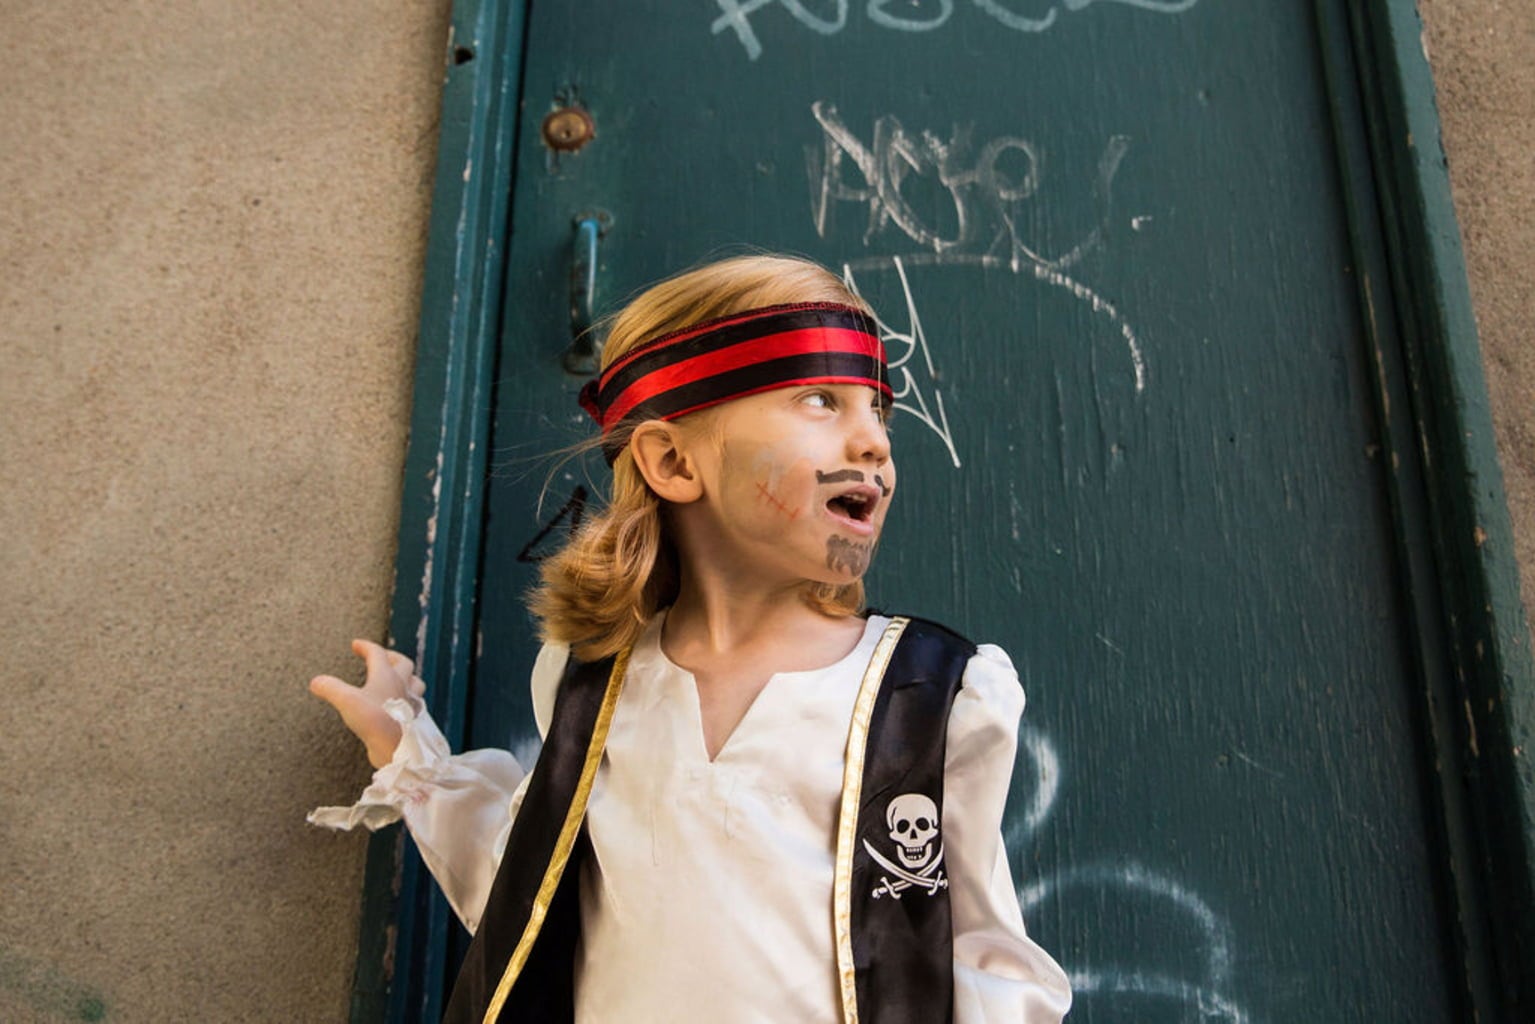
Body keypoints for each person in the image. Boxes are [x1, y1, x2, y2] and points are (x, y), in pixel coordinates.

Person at [308, 255, 1072, 1023]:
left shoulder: (927, 696)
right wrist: (406, 752)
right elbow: (529, 902)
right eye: (820, 400)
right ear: (672, 462)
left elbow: (987, 964)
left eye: (878, 412)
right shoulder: (590, 683)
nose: (874, 442)